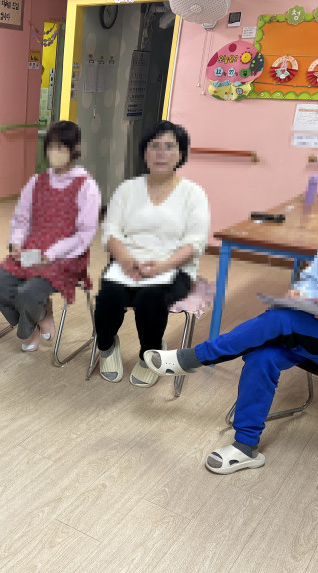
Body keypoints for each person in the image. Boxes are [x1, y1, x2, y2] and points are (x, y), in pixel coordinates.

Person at [145, 151, 318, 475]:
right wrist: (302, 292)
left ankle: (195, 358)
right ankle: (245, 446)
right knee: (264, 354)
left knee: (281, 320)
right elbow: (314, 275)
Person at [94, 121, 209, 387]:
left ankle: (150, 353)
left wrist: (162, 266)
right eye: (154, 146)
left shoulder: (193, 194)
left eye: (169, 147)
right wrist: (125, 260)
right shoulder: (127, 190)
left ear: (181, 154)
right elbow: (110, 232)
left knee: (150, 297)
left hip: (174, 268)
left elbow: (195, 243)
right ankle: (107, 347)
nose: (161, 153)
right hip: (127, 264)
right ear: (144, 152)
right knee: (109, 296)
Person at [0, 121, 101, 352]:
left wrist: (52, 253)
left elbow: (84, 234)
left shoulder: (86, 186)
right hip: (33, 252)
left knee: (29, 293)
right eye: (51, 147)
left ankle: (31, 322)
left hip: (66, 257)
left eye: (61, 147)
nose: (54, 153)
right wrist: (17, 242)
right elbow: (21, 219)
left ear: (74, 149)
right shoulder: (36, 182)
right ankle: (38, 319)